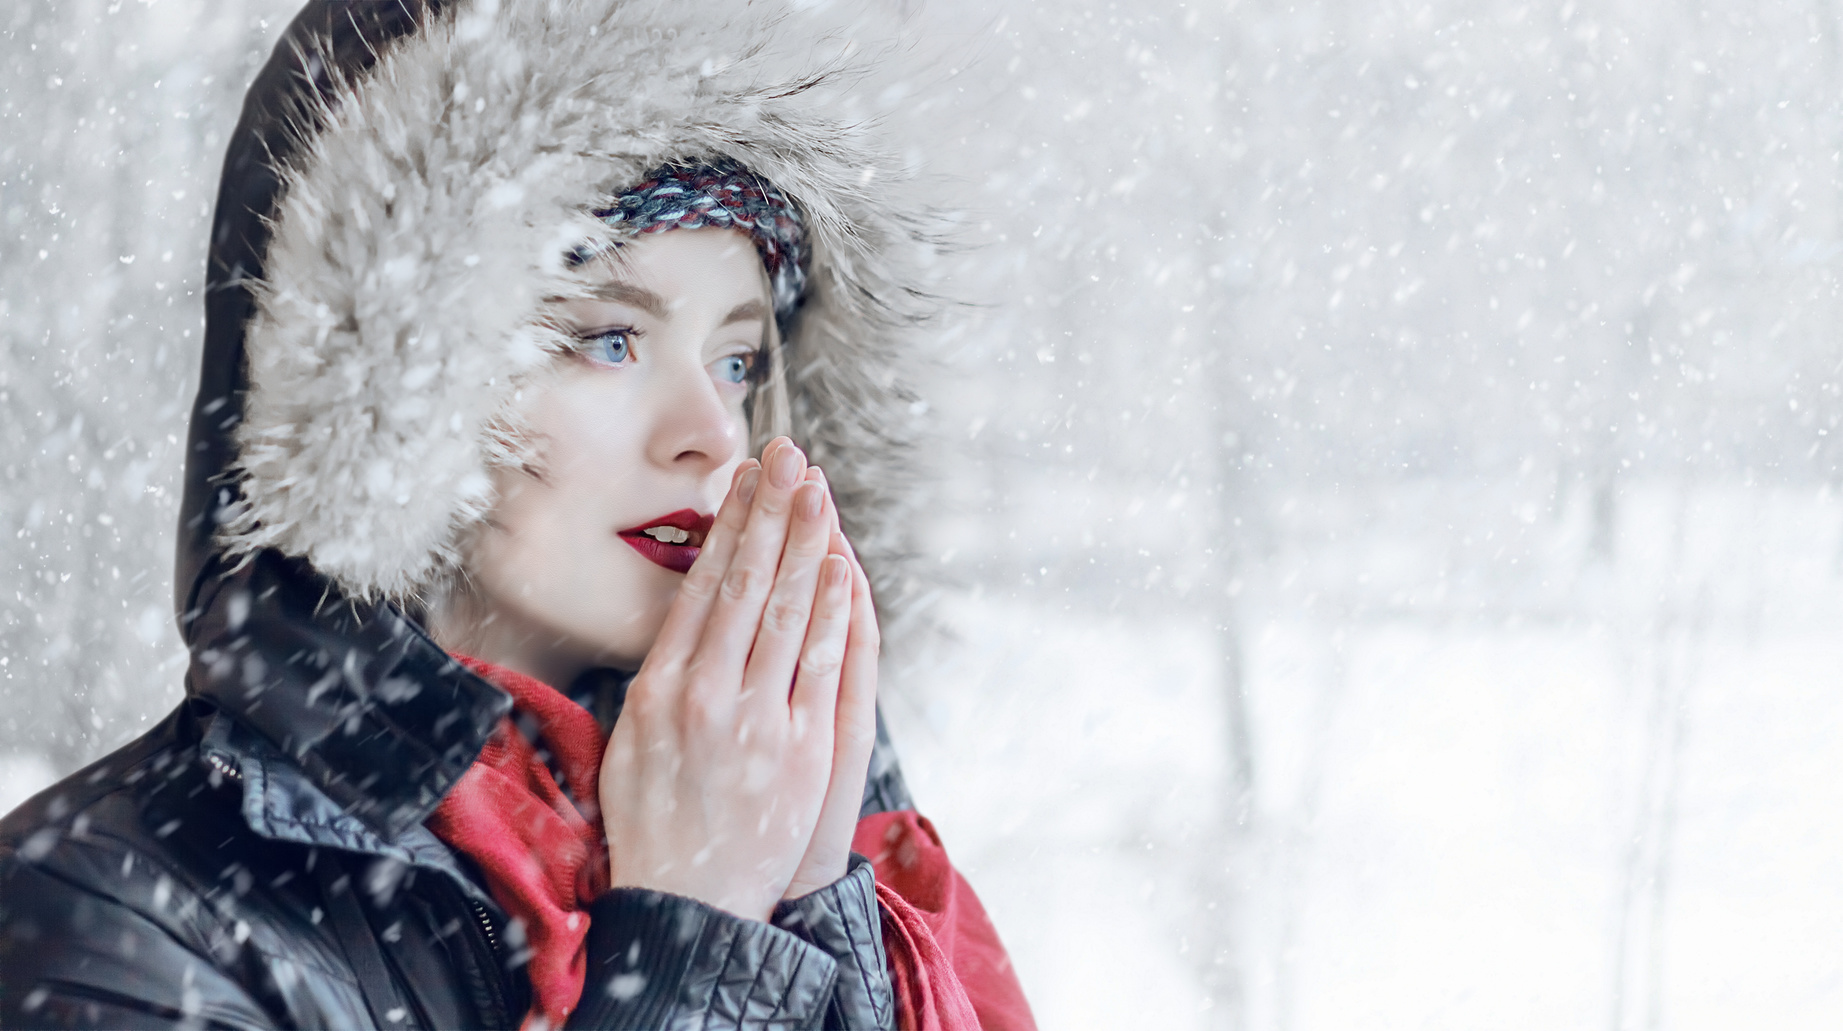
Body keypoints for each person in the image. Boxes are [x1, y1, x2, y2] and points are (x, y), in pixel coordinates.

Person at [0, 2, 1035, 1029]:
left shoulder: (855, 865)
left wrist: (800, 888)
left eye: (739, 362)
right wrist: (700, 935)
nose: (713, 434)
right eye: (608, 339)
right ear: (390, 389)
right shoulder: (105, 912)